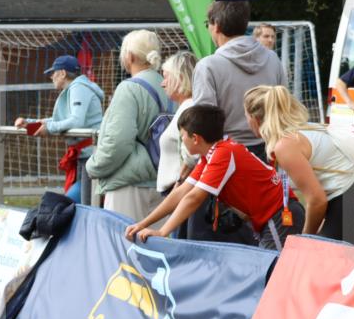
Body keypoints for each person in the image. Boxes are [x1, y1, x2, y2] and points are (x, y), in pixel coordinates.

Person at [125, 104, 304, 251]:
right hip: (271, 217)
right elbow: (180, 194)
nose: (182, 141)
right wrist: (143, 224)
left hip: (279, 215)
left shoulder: (223, 153)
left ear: (195, 138)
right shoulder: (210, 155)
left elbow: (194, 197)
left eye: (182, 137)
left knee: (277, 277)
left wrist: (163, 231)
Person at [190, 0, 286, 242]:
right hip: (267, 156)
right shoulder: (273, 60)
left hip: (226, 161)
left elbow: (203, 125)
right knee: (262, 238)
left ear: (216, 25)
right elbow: (284, 107)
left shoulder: (208, 66)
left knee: (217, 244)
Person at [243, 86, 354, 240]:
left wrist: (306, 238)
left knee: (315, 256)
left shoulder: (286, 145)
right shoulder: (303, 130)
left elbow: (317, 200)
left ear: (254, 118)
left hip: (352, 201)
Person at [85, 30, 165, 221]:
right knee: (157, 248)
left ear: (129, 56)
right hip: (165, 182)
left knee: (121, 245)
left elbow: (118, 142)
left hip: (129, 185)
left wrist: (93, 166)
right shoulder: (169, 84)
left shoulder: (129, 88)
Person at [16, 55, 103, 204]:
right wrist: (29, 124)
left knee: (73, 205)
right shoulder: (75, 88)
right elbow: (58, 121)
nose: (51, 77)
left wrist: (48, 128)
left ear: (62, 73)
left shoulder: (78, 87)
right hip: (84, 156)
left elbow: (76, 121)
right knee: (77, 204)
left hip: (91, 156)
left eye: (53, 72)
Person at [156, 52, 197, 196]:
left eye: (166, 77)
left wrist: (179, 183)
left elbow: (192, 155)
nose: (162, 83)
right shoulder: (186, 107)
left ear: (179, 78)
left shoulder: (189, 108)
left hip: (180, 191)